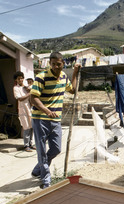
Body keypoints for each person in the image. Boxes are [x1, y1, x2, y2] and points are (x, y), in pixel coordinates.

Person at [30, 52, 80, 189]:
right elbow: (33, 98)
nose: (56, 67)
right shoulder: (41, 77)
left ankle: (37, 169)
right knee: (41, 150)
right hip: (40, 119)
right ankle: (46, 180)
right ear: (50, 64)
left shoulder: (64, 77)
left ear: (63, 63)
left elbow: (73, 90)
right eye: (53, 64)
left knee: (56, 149)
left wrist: (75, 72)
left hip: (56, 120)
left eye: (59, 64)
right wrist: (47, 111)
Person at [13, 71, 35, 152]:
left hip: (30, 109)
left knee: (32, 127)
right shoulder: (16, 88)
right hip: (23, 110)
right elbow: (20, 99)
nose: (21, 80)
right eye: (19, 79)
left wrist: (30, 91)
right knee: (26, 127)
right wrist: (29, 94)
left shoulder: (26, 87)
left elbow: (32, 97)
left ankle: (31, 144)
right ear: (16, 80)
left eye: (22, 78)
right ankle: (26, 145)